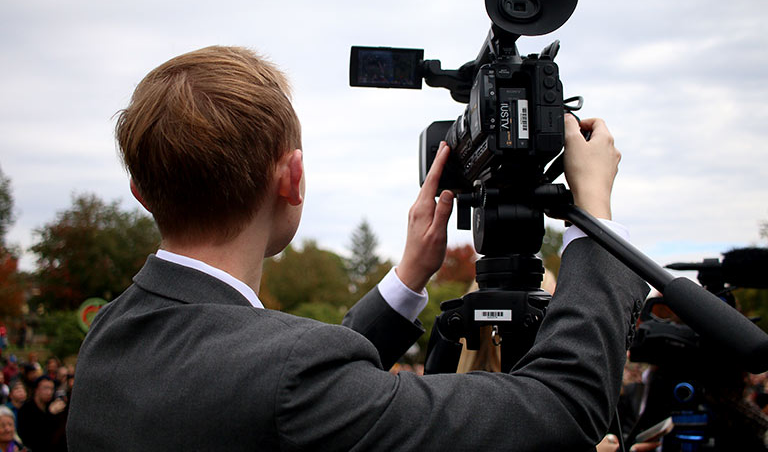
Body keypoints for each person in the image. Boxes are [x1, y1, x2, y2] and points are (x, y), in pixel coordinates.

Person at [66, 45, 649, 451]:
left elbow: (271, 381)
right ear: (292, 179)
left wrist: (409, 276)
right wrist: (593, 216)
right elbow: (563, 411)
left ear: (142, 194)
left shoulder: (109, 338)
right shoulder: (291, 376)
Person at [17, 376, 67, 451]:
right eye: (46, 388)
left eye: (52, 389)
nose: (49, 392)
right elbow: (34, 436)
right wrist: (50, 414)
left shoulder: (53, 406)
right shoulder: (26, 410)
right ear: (36, 389)